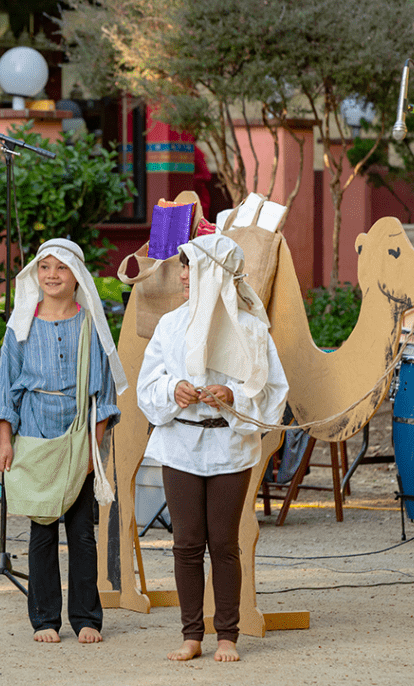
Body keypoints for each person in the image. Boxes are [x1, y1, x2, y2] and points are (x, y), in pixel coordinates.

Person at [136, 234, 288, 662]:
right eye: (183, 266)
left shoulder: (252, 330)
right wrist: (174, 388)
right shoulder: (171, 325)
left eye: (192, 267)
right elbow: (148, 384)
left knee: (223, 542)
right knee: (186, 541)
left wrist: (234, 395)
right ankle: (191, 635)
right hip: (180, 443)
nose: (183, 275)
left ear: (216, 274)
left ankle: (227, 635)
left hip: (229, 445)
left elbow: (274, 391)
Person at [0, 238, 128, 645]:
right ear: (36, 274)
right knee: (42, 529)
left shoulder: (89, 324)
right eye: (45, 267)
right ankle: (45, 619)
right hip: (34, 435)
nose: (52, 275)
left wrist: (93, 449)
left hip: (78, 437)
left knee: (83, 531)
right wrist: (5, 439)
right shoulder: (21, 325)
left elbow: (102, 393)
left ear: (76, 275)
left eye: (61, 268)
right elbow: (5, 389)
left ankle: (87, 617)